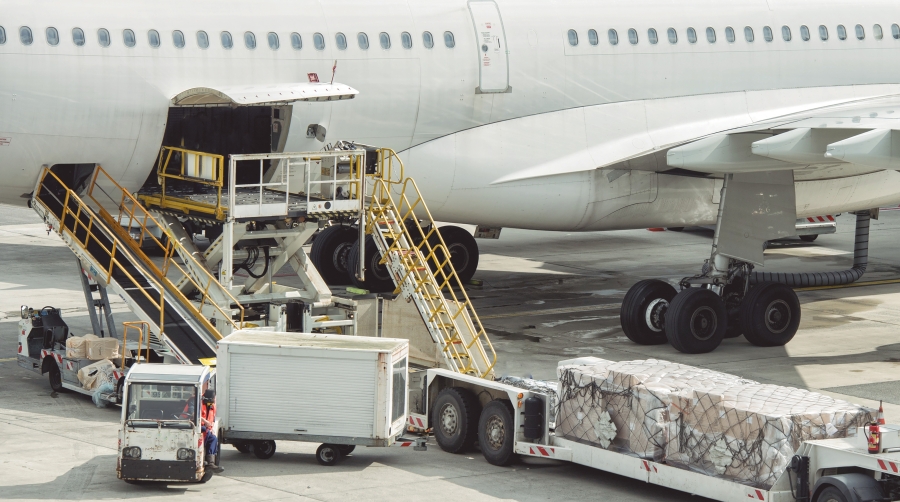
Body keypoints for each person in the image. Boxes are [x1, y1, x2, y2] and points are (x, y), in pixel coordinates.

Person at [201, 388, 224, 473]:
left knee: (213, 438)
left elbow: (212, 419)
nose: (212, 402)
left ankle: (210, 463)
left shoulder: (212, 405)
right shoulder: (196, 402)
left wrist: (212, 429)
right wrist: (204, 421)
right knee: (205, 431)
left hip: (206, 428)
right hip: (195, 426)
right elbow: (192, 415)